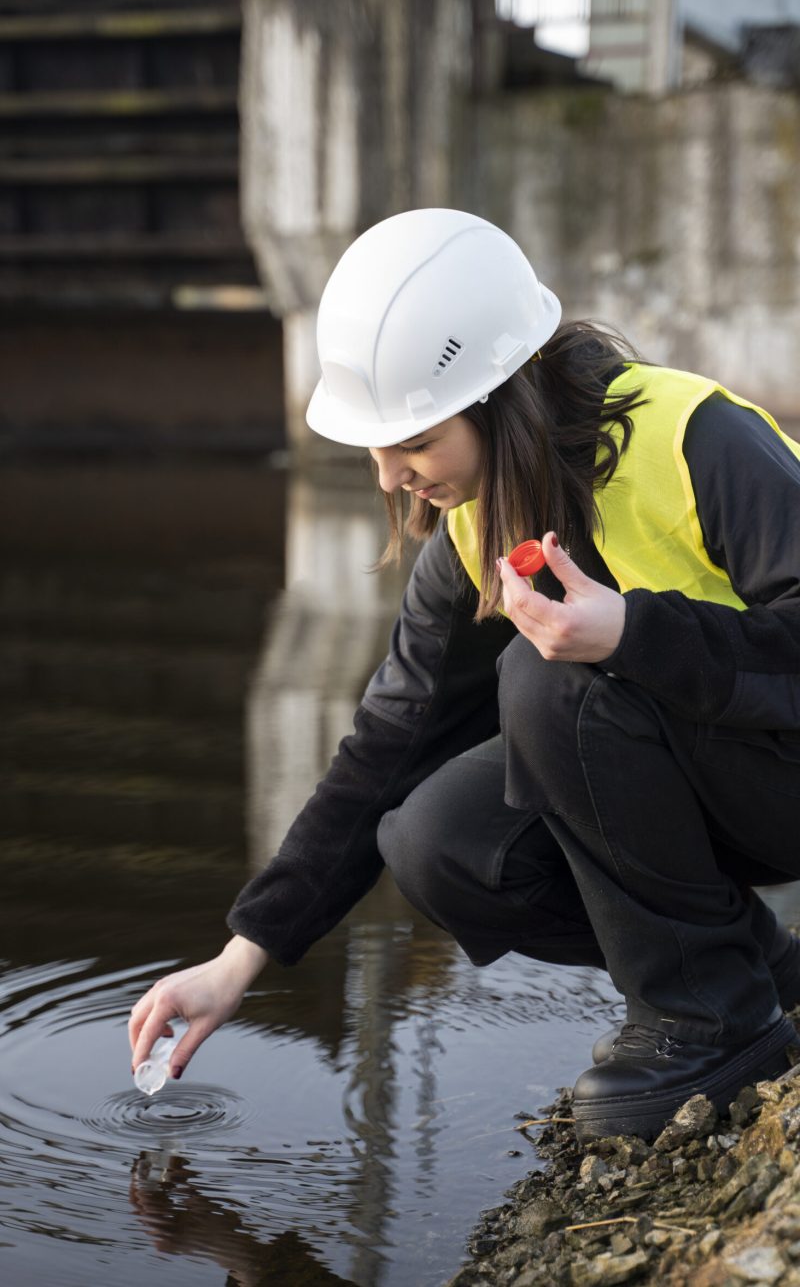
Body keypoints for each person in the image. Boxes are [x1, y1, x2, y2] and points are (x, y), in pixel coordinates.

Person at [129, 208, 800, 1141]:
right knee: (437, 841)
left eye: (414, 443)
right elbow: (387, 745)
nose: (392, 477)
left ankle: (709, 1023)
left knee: (547, 680)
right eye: (376, 447)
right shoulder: (475, 527)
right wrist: (241, 958)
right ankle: (754, 978)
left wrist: (630, 632)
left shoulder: (696, 440)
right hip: (723, 783)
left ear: (500, 395)